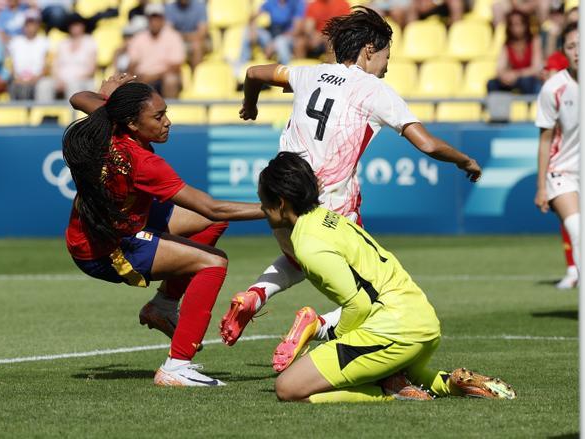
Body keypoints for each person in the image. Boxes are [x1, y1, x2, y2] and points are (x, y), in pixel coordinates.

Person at [219, 6, 482, 346]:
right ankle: (317, 325)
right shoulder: (374, 90)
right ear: (369, 50)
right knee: (375, 294)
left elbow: (254, 71)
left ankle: (255, 295)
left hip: (281, 198)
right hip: (329, 208)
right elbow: (427, 144)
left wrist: (250, 106)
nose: (387, 66)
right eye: (387, 56)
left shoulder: (308, 74)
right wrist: (465, 161)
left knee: (297, 258)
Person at [256, 152, 516, 403]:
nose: (262, 209)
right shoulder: (330, 218)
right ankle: (450, 383)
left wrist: (337, 343)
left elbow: (358, 304)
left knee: (288, 388)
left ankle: (387, 392)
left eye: (263, 202)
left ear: (280, 203)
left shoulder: (306, 244)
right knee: (412, 375)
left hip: (394, 330)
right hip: (421, 322)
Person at [63, 74, 265, 387]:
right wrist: (274, 210)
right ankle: (177, 366)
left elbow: (78, 96)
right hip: (109, 249)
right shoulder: (143, 162)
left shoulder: (110, 124)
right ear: (132, 123)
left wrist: (106, 97)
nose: (167, 122)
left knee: (213, 225)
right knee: (214, 262)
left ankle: (163, 306)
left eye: (166, 112)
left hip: (106, 226)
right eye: (158, 117)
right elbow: (210, 205)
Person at [534, 22, 580, 288]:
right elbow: (545, 140)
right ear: (564, 50)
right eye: (571, 46)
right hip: (562, 172)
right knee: (577, 232)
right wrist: (541, 187)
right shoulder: (554, 88)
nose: (577, 51)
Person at [126, 4, 185, 99]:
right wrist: (136, 77)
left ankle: (170, 110)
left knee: (171, 80)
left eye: (157, 18)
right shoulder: (138, 38)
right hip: (142, 78)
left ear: (163, 19)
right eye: (151, 18)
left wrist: (154, 76)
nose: (154, 22)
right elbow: (132, 64)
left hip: (162, 78)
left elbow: (176, 66)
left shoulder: (173, 37)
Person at [35, 13, 95, 101]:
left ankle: (72, 114)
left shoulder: (90, 42)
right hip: (61, 80)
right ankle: (43, 113)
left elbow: (91, 70)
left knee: (73, 86)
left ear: (83, 26)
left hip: (81, 80)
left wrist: (70, 81)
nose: (75, 27)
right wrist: (59, 80)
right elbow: (55, 65)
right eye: (72, 25)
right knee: (43, 84)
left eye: (77, 24)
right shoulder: (63, 43)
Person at [237, 0, 306, 71]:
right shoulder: (272, 2)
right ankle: (241, 65)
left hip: (289, 38)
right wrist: (253, 30)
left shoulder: (297, 3)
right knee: (247, 31)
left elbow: (297, 29)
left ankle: (287, 72)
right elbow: (252, 17)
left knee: (280, 42)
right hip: (271, 38)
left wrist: (274, 43)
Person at [487, 9, 543, 95]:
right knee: (492, 84)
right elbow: (500, 67)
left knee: (529, 83)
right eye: (512, 25)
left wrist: (517, 74)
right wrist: (504, 76)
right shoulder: (507, 45)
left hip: (528, 78)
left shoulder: (534, 41)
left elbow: (536, 68)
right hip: (513, 79)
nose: (515, 28)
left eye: (518, 24)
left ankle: (530, 107)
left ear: (525, 25)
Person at [7, 9, 48, 100]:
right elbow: (11, 64)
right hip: (18, 80)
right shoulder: (15, 42)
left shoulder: (45, 42)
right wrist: (17, 78)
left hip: (38, 80)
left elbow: (46, 65)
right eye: (28, 23)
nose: (30, 27)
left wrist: (35, 79)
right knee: (14, 86)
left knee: (42, 86)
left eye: (33, 23)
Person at [164, 0, 208, 70]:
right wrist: (188, 36)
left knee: (197, 45)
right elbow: (168, 33)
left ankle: (196, 77)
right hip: (177, 41)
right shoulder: (169, 7)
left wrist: (181, 36)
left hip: (194, 41)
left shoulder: (200, 6)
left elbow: (202, 33)